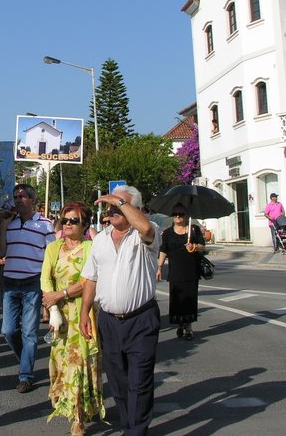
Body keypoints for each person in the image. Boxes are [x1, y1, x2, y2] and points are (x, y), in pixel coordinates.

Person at [79, 185, 161, 436]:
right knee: (118, 381)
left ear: (133, 207)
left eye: (119, 205)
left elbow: (145, 228)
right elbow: (91, 278)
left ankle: (136, 431)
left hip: (141, 319)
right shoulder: (101, 239)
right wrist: (85, 312)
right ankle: (129, 425)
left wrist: (119, 200)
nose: (112, 209)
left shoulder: (147, 233)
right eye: (111, 206)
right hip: (109, 322)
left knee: (139, 381)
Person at [40, 202, 104, 436]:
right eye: (64, 220)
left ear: (85, 225)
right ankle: (68, 403)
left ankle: (78, 418)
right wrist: (53, 306)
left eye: (73, 221)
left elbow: (89, 281)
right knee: (61, 361)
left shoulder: (91, 247)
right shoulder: (53, 248)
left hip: (82, 312)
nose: (67, 224)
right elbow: (45, 278)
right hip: (60, 316)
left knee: (80, 363)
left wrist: (63, 293)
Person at [0, 183, 55, 394]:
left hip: (32, 282)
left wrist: (50, 288)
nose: (18, 200)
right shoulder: (9, 224)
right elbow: (0, 253)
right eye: (16, 197)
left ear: (32, 200)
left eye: (22, 197)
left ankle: (25, 376)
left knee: (29, 332)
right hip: (10, 282)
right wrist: (3, 227)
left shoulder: (46, 225)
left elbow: (51, 256)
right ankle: (25, 362)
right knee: (9, 331)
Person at [156, 205, 206, 340]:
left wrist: (194, 246)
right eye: (175, 214)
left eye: (181, 214)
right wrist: (159, 267)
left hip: (191, 270)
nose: (178, 216)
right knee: (177, 299)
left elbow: (203, 246)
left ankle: (188, 327)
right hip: (175, 271)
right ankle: (180, 324)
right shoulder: (167, 233)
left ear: (186, 216)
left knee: (190, 298)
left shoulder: (193, 230)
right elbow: (163, 251)